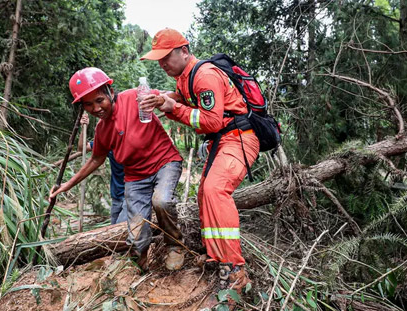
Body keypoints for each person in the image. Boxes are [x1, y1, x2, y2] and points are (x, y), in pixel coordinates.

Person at [140, 28, 259, 295]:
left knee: (215, 190)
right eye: (158, 59)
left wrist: (173, 108)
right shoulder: (185, 78)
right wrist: (162, 98)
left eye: (166, 57)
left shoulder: (204, 75)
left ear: (184, 51)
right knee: (204, 194)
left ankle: (235, 272)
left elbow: (212, 120)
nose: (162, 64)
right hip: (223, 142)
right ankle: (216, 258)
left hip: (239, 139)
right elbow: (181, 98)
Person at [49, 67, 185, 271]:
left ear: (110, 93)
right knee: (136, 233)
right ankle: (141, 265)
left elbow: (174, 97)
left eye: (99, 100)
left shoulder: (134, 97)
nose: (96, 108)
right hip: (136, 178)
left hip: (164, 162)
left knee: (162, 200)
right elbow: (95, 160)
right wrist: (66, 185)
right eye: (88, 104)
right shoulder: (102, 130)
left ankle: (175, 245)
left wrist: (160, 101)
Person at [78, 113, 127, 225]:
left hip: (132, 195)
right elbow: (82, 147)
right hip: (116, 196)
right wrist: (83, 127)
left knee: (121, 230)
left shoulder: (131, 141)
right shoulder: (107, 143)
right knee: (114, 229)